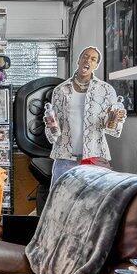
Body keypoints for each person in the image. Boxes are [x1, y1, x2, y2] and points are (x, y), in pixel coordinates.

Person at [42, 46, 126, 178]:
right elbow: (55, 132)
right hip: (65, 158)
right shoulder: (60, 90)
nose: (88, 60)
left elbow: (112, 129)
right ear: (79, 60)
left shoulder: (106, 90)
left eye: (93, 59)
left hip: (95, 157)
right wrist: (51, 125)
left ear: (96, 65)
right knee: (61, 192)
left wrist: (116, 119)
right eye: (85, 56)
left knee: (97, 192)